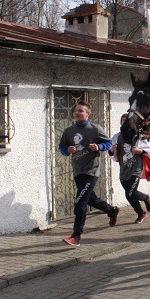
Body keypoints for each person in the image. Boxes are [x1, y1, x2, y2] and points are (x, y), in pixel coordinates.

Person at [59, 101, 119, 247]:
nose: (77, 113)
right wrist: (67, 150)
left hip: (91, 171)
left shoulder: (95, 129)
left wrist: (98, 146)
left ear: (88, 113)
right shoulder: (69, 131)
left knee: (80, 202)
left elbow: (109, 144)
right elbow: (62, 146)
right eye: (76, 111)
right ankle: (111, 210)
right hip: (78, 170)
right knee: (90, 200)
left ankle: (76, 236)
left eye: (81, 110)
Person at [109, 115, 150, 224]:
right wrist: (112, 150)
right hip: (124, 169)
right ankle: (141, 213)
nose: (126, 124)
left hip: (136, 168)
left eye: (127, 122)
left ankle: (145, 198)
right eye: (123, 122)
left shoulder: (138, 136)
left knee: (131, 192)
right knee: (128, 195)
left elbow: (149, 151)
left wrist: (140, 151)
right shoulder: (116, 137)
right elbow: (111, 154)